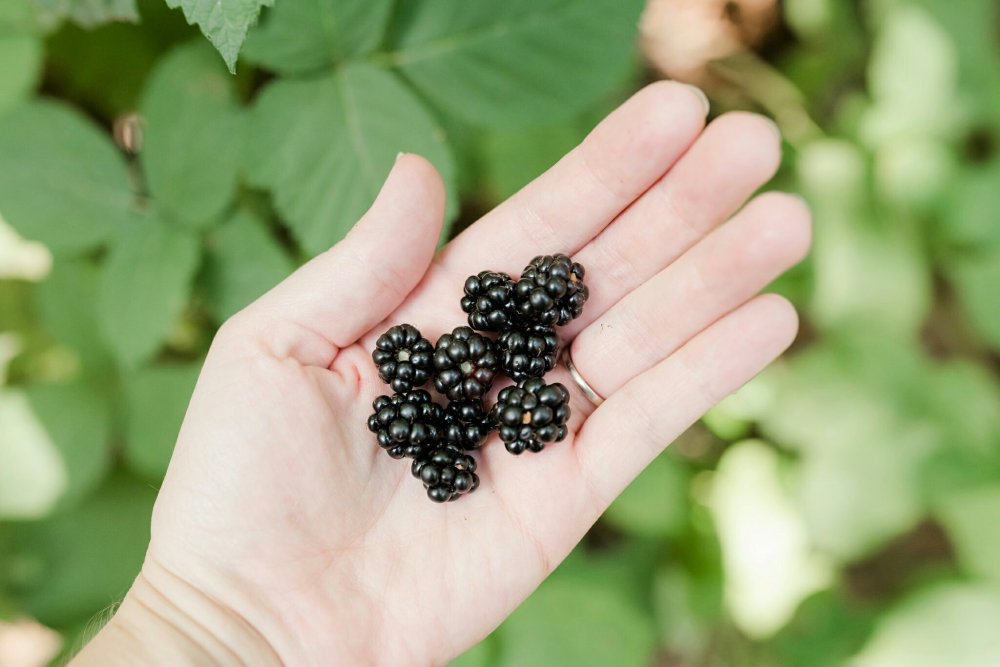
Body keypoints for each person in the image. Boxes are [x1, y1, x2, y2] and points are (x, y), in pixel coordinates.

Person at [70, 82, 811, 666]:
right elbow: (464, 403)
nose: (477, 373)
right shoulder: (455, 397)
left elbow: (482, 389)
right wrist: (203, 617)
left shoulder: (487, 369)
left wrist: (203, 623)